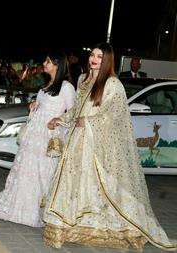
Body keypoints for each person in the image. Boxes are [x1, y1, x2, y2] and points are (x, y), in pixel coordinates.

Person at [43, 42, 176, 251]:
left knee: (99, 185)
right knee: (74, 184)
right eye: (93, 55)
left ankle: (111, 228)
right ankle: (68, 227)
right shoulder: (83, 79)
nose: (94, 59)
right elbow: (77, 109)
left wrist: (88, 122)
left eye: (99, 56)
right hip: (78, 141)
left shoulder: (113, 84)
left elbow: (115, 117)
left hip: (96, 145)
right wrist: (61, 119)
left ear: (107, 61)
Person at [0, 51, 76, 227]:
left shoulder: (66, 88)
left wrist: (59, 120)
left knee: (42, 174)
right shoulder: (46, 86)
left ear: (57, 64)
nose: (44, 63)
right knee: (26, 171)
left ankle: (36, 212)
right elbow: (41, 107)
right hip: (34, 135)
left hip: (49, 137)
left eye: (48, 61)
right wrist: (34, 106)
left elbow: (72, 113)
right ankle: (18, 208)